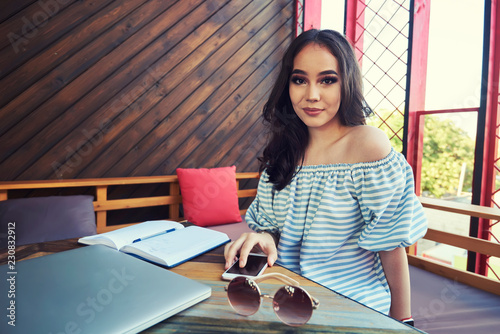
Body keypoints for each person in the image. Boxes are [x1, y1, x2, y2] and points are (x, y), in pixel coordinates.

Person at [224, 29, 428, 323]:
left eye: (327, 80)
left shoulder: (367, 145)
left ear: (347, 83)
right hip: (285, 302)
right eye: (299, 80)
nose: (312, 95)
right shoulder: (282, 152)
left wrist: (403, 323)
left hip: (352, 306)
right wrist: (263, 237)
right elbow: (273, 230)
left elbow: (390, 245)